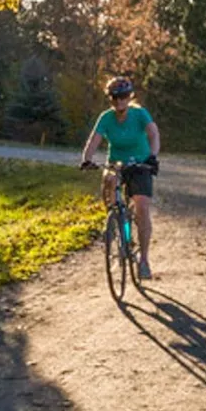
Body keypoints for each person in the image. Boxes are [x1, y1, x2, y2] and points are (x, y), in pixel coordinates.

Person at [80, 76, 160, 280]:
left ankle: (144, 260)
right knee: (109, 181)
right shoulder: (106, 117)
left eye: (123, 97)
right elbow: (94, 140)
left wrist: (152, 156)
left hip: (140, 163)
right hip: (117, 163)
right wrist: (87, 159)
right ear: (110, 99)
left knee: (141, 207)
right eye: (115, 98)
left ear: (129, 96)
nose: (119, 101)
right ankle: (116, 221)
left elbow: (153, 134)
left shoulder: (140, 114)